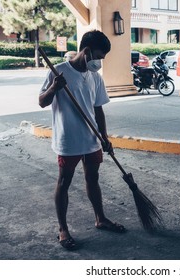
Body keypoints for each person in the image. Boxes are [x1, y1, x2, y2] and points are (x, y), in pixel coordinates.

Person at [39, 30, 126, 250]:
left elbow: (98, 110)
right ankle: (63, 229)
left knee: (93, 179)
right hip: (69, 141)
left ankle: (100, 218)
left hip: (92, 139)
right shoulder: (58, 72)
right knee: (64, 182)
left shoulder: (95, 76)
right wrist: (54, 87)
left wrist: (104, 137)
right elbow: (42, 101)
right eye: (98, 57)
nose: (100, 62)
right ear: (86, 51)